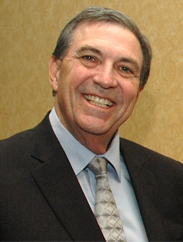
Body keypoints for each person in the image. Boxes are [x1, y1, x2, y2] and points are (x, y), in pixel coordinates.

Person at [0, 6, 183, 242]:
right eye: (89, 58)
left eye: (125, 69)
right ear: (55, 71)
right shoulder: (5, 171)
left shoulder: (172, 182)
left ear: (138, 92)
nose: (105, 80)